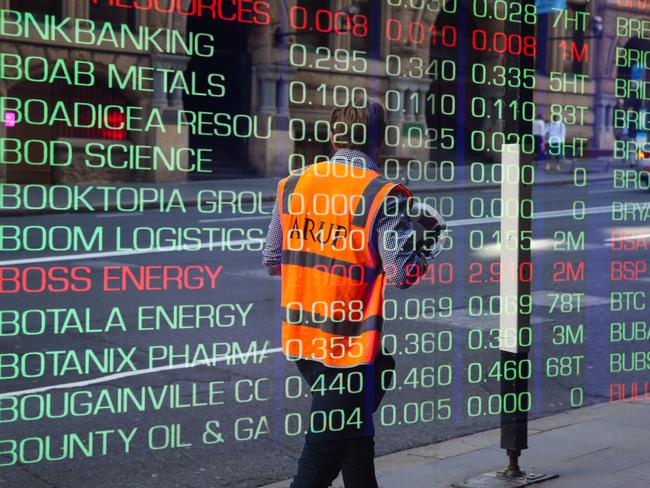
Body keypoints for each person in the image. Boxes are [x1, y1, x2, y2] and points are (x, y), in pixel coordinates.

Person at [262, 98, 446, 487]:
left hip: (302, 341)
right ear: (379, 139)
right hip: (349, 348)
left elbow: (272, 259)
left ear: (332, 136)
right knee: (318, 462)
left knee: (356, 441)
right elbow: (399, 273)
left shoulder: (292, 184)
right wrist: (429, 240)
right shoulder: (384, 194)